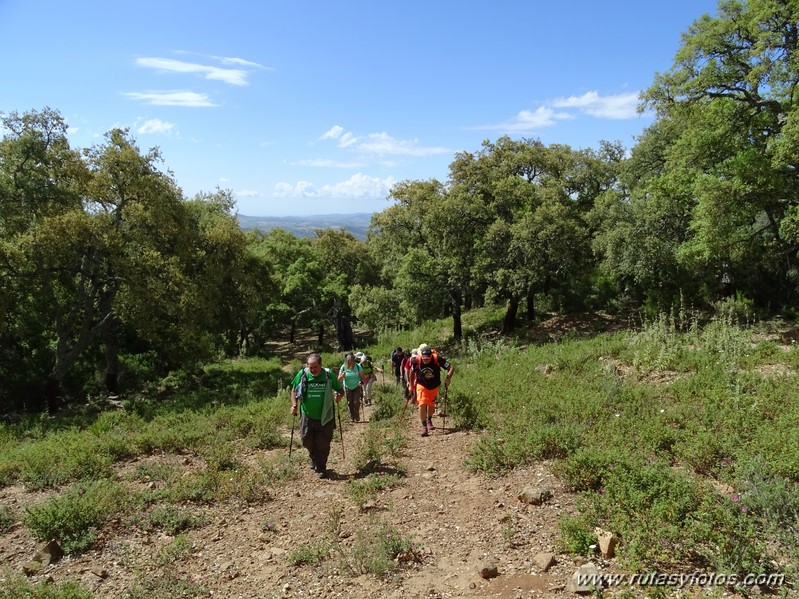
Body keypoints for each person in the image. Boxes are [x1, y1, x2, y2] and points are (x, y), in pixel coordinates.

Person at [290, 353, 344, 478]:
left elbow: (340, 389)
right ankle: (313, 457)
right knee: (306, 440)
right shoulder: (302, 374)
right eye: (310, 367)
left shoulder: (328, 375)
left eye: (315, 367)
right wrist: (294, 405)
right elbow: (293, 390)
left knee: (323, 443)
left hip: (325, 416)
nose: (313, 370)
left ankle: (321, 467)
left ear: (321, 365)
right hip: (307, 415)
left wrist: (339, 396)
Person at [408, 343, 454, 437]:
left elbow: (451, 368)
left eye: (427, 359)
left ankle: (429, 419)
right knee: (422, 403)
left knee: (431, 405)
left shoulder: (437, 359)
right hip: (421, 384)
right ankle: (424, 426)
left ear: (430, 356)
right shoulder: (417, 360)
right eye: (424, 359)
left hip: (434, 386)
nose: (425, 361)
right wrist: (411, 384)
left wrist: (448, 378)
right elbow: (412, 372)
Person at [338, 352, 369, 422]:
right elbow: (338, 379)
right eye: (347, 362)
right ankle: (351, 416)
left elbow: (363, 377)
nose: (348, 364)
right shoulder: (343, 367)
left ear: (353, 362)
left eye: (350, 362)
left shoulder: (358, 367)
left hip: (356, 386)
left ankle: (357, 415)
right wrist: (342, 376)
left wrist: (361, 382)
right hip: (347, 387)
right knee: (349, 402)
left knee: (356, 402)